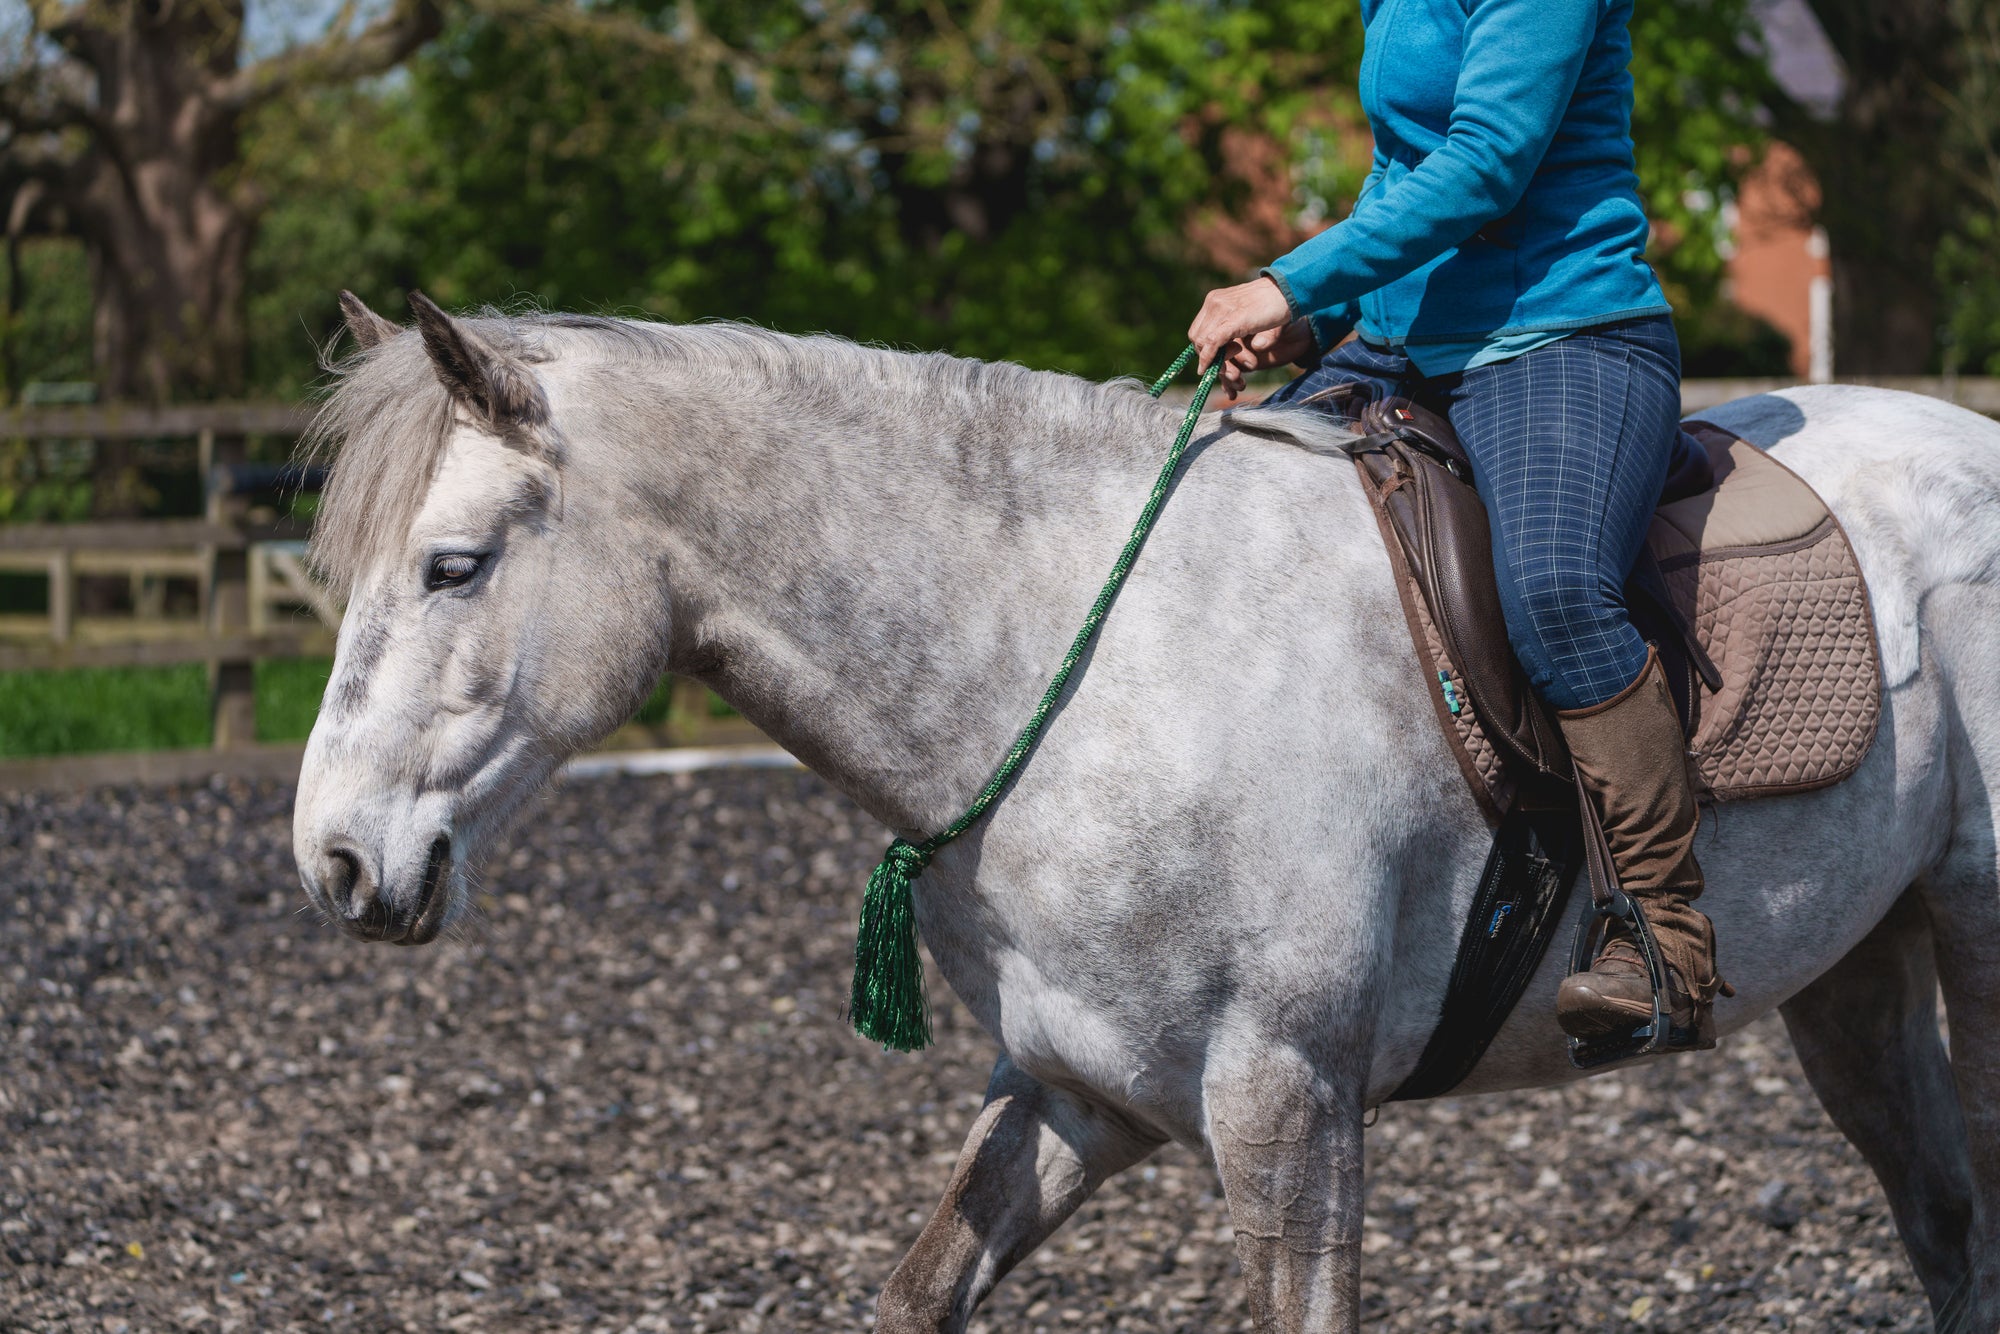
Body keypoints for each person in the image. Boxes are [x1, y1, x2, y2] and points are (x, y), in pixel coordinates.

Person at [1186, 0, 1725, 1045]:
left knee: (1555, 590)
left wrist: (1283, 278)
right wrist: (1319, 316)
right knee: (1223, 539)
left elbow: (1485, 164)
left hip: (1560, 330)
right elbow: (1403, 170)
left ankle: (1663, 934)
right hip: (1400, 344)